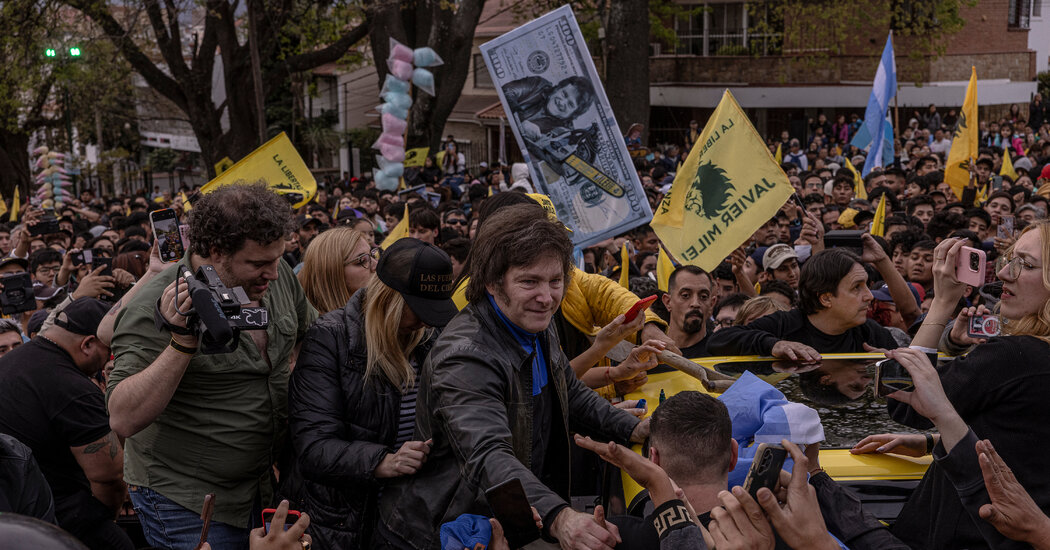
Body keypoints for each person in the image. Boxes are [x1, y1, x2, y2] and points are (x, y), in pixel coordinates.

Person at [375, 205, 647, 549]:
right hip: (440, 532)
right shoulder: (464, 356)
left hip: (506, 520)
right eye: (529, 282)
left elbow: (569, 390)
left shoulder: (534, 323)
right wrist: (559, 517)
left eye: (555, 281)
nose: (546, 297)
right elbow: (489, 453)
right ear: (492, 282)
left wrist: (633, 428)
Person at [107, 183, 317, 549]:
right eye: (257, 264)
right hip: (186, 500)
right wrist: (181, 342)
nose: (274, 273)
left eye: (277, 259)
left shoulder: (276, 275)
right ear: (216, 251)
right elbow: (123, 416)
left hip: (262, 485)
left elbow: (311, 337)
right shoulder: (152, 302)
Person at [875, 229, 1050, 548]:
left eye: (1025, 264)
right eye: (1010, 258)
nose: (1002, 273)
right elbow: (1027, 441)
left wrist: (942, 303)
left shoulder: (1015, 356)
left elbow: (902, 397)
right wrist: (932, 441)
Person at [280, 238, 456, 548]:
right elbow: (313, 446)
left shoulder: (430, 338)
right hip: (338, 523)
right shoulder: (331, 338)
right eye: (418, 310)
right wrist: (383, 462)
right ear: (389, 298)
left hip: (404, 522)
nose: (426, 320)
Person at [0, 298, 131, 550]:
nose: (107, 361)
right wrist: (102, 518)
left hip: (13, 508)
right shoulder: (74, 389)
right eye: (109, 350)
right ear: (88, 344)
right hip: (63, 519)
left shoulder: (8, 363)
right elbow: (110, 477)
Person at [708, 243, 899, 360]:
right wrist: (773, 344)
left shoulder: (871, 333)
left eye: (866, 285)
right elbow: (719, 341)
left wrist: (889, 364)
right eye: (856, 287)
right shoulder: (785, 324)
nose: (869, 296)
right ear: (825, 298)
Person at [297, 227, 378, 315]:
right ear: (331, 274)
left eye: (372, 255)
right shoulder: (319, 327)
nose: (376, 265)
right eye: (362, 260)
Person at [661, 265, 715, 358]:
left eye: (703, 296)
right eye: (685, 295)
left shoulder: (723, 353)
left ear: (711, 304)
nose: (695, 303)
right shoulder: (649, 355)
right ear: (668, 302)